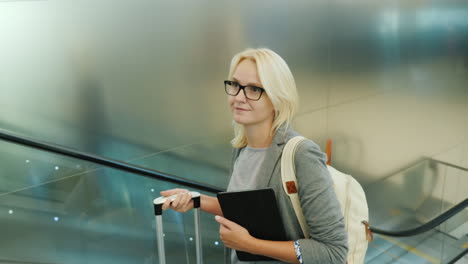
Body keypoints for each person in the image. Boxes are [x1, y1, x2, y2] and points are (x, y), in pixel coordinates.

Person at [161, 48, 348, 264]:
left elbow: (333, 251)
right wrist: (195, 200)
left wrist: (250, 245)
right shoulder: (242, 148)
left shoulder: (302, 155)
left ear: (277, 97)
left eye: (253, 89)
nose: (239, 97)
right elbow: (253, 210)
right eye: (234, 85)